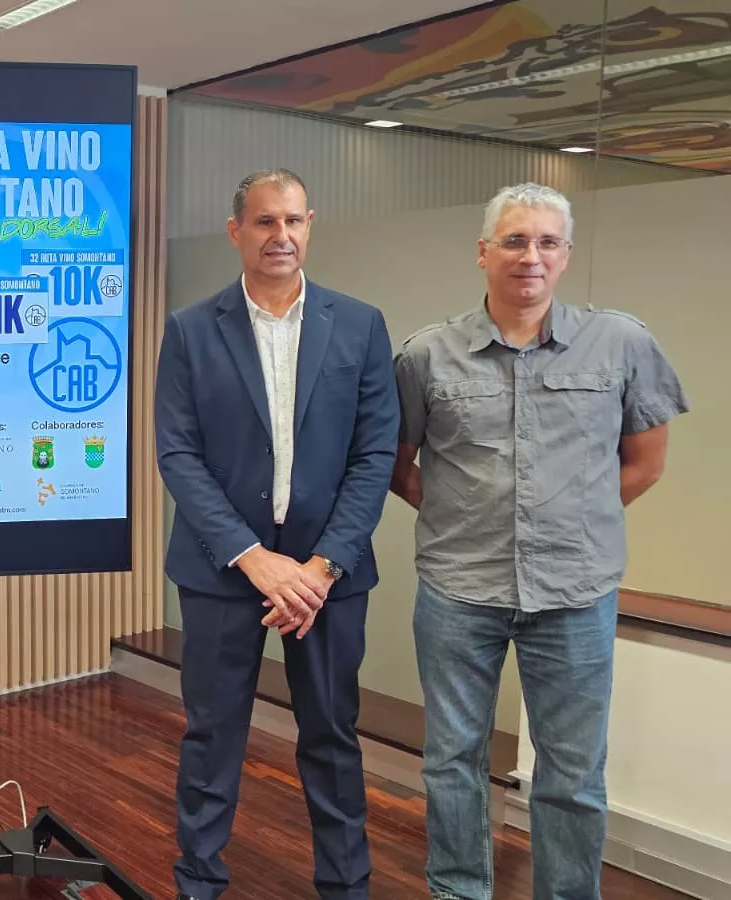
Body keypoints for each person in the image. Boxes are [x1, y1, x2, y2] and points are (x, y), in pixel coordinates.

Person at [391, 183, 688, 900]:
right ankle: (459, 891)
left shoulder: (622, 342)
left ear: (566, 255)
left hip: (576, 594)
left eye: (547, 242)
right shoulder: (427, 356)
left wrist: (570, 520)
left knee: (574, 773)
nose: (531, 256)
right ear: (484, 251)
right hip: (460, 592)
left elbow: (645, 463)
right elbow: (397, 468)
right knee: (452, 760)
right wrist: (469, 518)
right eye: (516, 240)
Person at [155, 169, 399, 900]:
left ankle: (345, 885)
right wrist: (257, 559)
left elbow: (375, 454)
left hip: (331, 580)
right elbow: (178, 454)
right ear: (237, 231)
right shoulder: (192, 329)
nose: (281, 236)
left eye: (293, 221)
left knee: (331, 736)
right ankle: (198, 882)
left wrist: (320, 569)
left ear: (311, 225)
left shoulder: (359, 324)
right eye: (265, 222)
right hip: (224, 572)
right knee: (212, 736)